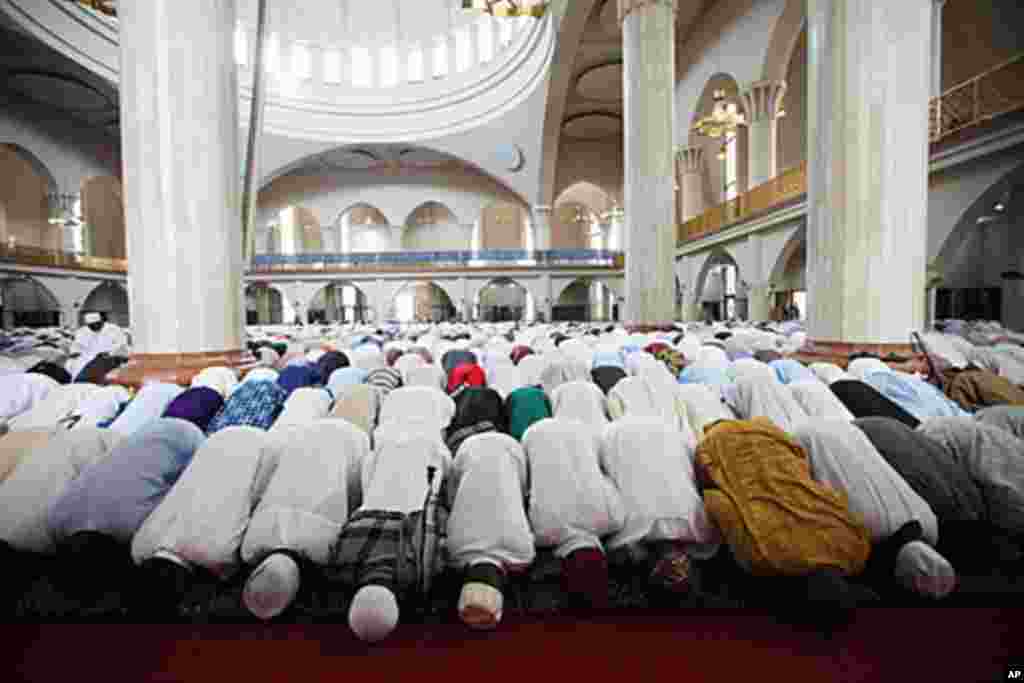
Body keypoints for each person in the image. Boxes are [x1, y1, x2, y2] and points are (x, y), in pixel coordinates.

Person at [68, 312, 128, 379]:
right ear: (88, 325)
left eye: (97, 324)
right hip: (86, 359)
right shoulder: (82, 331)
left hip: (109, 359)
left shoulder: (114, 329)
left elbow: (121, 345)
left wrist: (110, 353)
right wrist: (75, 352)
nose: (95, 326)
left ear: (101, 322)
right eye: (91, 325)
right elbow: (76, 345)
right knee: (75, 367)